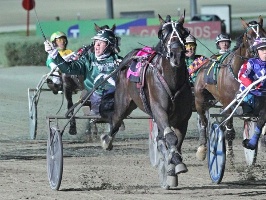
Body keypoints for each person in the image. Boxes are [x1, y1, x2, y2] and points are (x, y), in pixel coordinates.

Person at [44, 26, 122, 116]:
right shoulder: (87, 60)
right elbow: (69, 68)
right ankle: (56, 85)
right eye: (96, 42)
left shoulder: (118, 61)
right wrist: (53, 53)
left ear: (109, 45)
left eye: (101, 42)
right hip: (93, 96)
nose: (96, 45)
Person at [238, 37, 266, 150]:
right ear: (256, 51)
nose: (265, 51)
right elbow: (242, 75)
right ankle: (254, 139)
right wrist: (251, 84)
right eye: (262, 49)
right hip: (254, 95)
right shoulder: (250, 63)